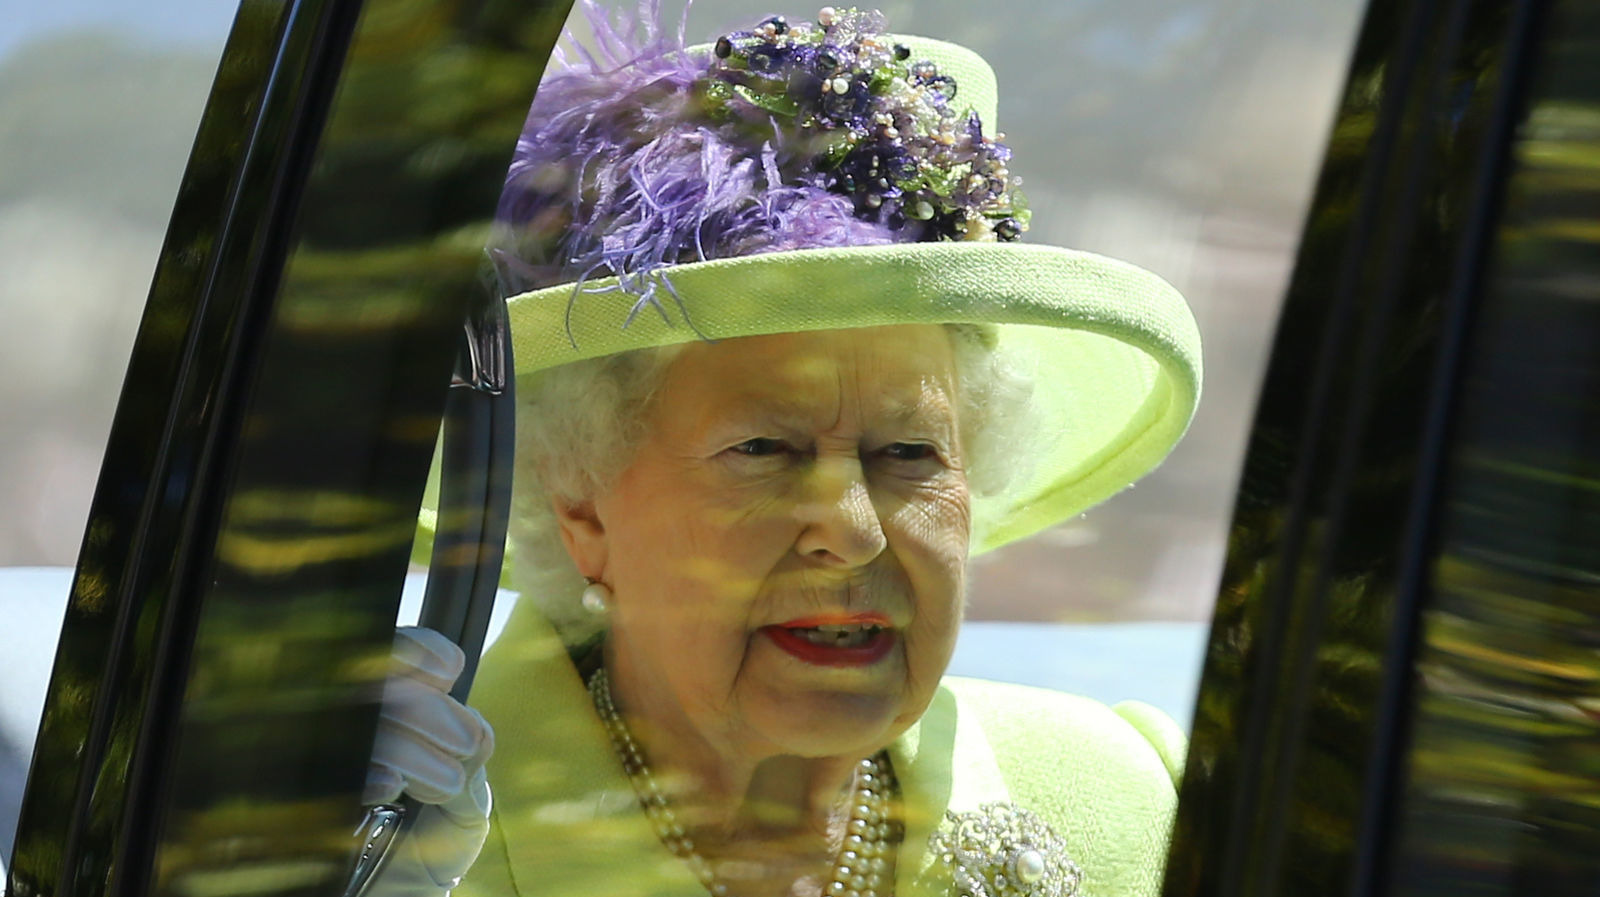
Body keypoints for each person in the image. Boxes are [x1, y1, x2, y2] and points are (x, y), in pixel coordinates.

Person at [366, 4, 1202, 896]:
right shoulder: (387, 845)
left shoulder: (1135, 796)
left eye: (909, 451)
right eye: (763, 448)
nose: (850, 534)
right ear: (580, 506)